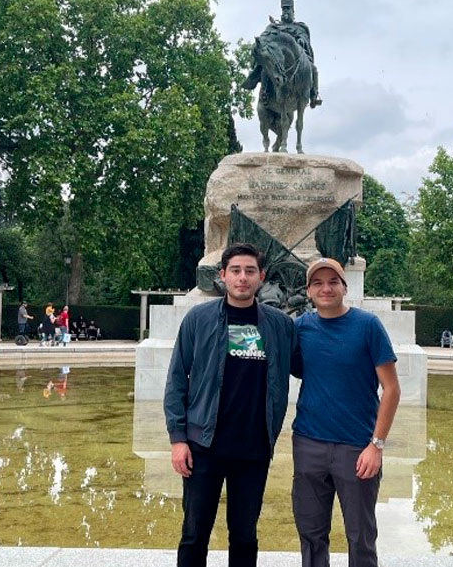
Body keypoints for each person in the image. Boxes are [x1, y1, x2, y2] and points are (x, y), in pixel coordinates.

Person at [164, 243, 296, 567]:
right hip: (203, 446)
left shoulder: (280, 325)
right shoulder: (199, 319)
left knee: (244, 537)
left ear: (261, 277)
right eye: (235, 271)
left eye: (250, 271)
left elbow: (311, 367)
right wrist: (178, 439)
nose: (242, 278)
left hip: (253, 449)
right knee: (194, 534)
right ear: (222, 275)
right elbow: (177, 378)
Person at [292, 257, 400, 567]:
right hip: (309, 443)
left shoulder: (368, 326)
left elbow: (391, 389)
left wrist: (376, 445)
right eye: (317, 283)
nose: (325, 288)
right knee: (311, 534)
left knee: (361, 536)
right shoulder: (300, 328)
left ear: (344, 287)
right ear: (308, 291)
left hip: (358, 448)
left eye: (333, 282)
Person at [243, 0, 322, 107]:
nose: (285, 11)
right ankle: (265, 92)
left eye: (288, 9)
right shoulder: (275, 26)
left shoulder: (300, 26)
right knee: (265, 67)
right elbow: (264, 38)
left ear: (293, 11)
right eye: (284, 9)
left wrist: (301, 40)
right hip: (278, 58)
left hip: (296, 58)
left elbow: (304, 37)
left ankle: (313, 95)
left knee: (313, 69)